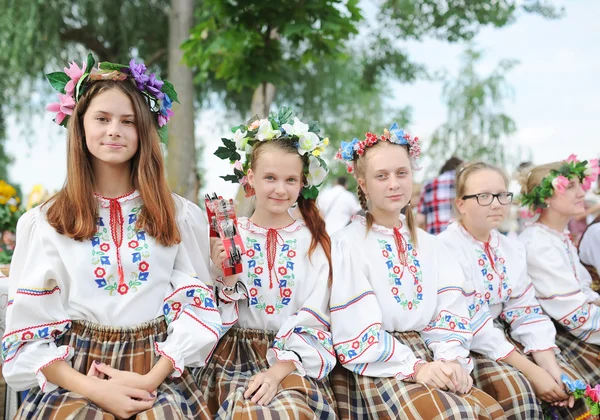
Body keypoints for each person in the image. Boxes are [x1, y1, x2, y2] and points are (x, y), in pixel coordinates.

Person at [1, 54, 220, 419]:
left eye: (128, 121)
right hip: (76, 376)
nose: (114, 130)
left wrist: (149, 379)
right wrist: (96, 389)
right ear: (80, 126)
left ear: (145, 130)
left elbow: (198, 310)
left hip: (158, 373)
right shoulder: (45, 222)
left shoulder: (177, 214)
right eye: (102, 118)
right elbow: (28, 333)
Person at [329, 125, 504, 419]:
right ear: (362, 183)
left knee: (496, 407)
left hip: (431, 350)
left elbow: (448, 310)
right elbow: (355, 326)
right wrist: (416, 367)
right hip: (379, 363)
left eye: (402, 173)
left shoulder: (431, 245)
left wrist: (452, 359)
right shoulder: (346, 244)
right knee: (451, 414)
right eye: (381, 176)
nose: (394, 184)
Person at [197, 109, 337, 418]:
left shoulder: (313, 242)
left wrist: (277, 373)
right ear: (250, 178)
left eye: (290, 180)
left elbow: (316, 319)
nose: (280, 189)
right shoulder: (231, 233)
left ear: (303, 183)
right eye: (270, 178)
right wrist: (225, 277)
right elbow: (210, 316)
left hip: (293, 360)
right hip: (233, 357)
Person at [440, 162, 585, 419]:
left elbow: (525, 309)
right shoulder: (445, 248)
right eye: (483, 196)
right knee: (519, 394)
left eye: (502, 195)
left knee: (572, 387)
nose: (496, 204)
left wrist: (548, 365)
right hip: (466, 339)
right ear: (461, 203)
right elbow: (472, 321)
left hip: (505, 333)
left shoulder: (511, 248)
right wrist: (532, 372)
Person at [519, 155, 600, 386]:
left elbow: (584, 294)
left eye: (579, 185)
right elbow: (574, 316)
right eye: (570, 186)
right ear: (545, 197)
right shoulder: (538, 243)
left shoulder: (557, 237)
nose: (582, 193)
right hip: (562, 336)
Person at [417, 156, 463, 235]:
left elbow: (420, 219)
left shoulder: (428, 185)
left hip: (434, 239)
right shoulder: (463, 183)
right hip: (459, 238)